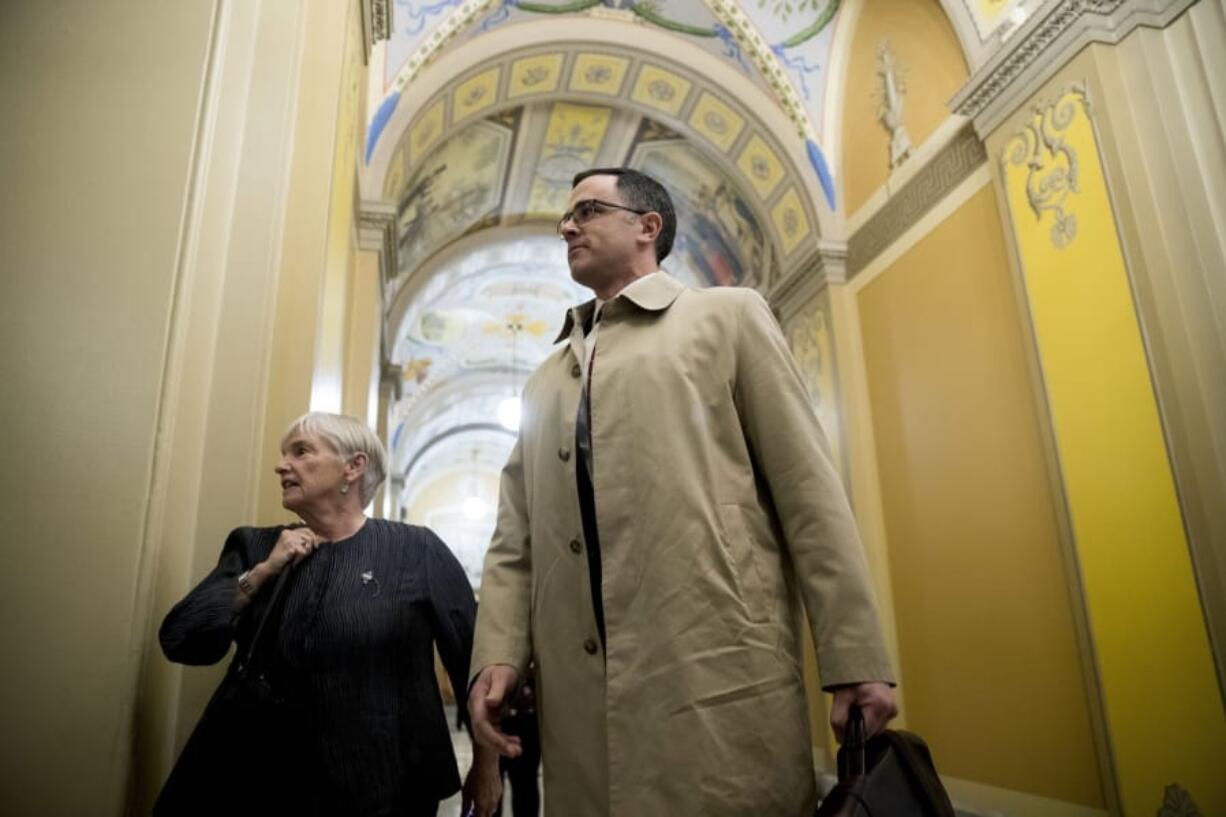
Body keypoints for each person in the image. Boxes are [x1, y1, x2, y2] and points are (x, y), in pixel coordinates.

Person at [468, 168, 897, 816]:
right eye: (566, 217)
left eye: (586, 210)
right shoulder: (544, 383)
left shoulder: (727, 319)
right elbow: (514, 543)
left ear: (648, 227)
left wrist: (856, 656)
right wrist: (497, 652)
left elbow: (808, 494)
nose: (566, 226)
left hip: (714, 680)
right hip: (581, 715)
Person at [158, 412, 501, 817]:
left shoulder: (415, 550)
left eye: (301, 452)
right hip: (266, 784)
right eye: (284, 454)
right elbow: (181, 638)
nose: (281, 465)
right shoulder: (256, 546)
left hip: (387, 787)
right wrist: (266, 570)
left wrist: (487, 765)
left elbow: (472, 663)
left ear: (353, 467)